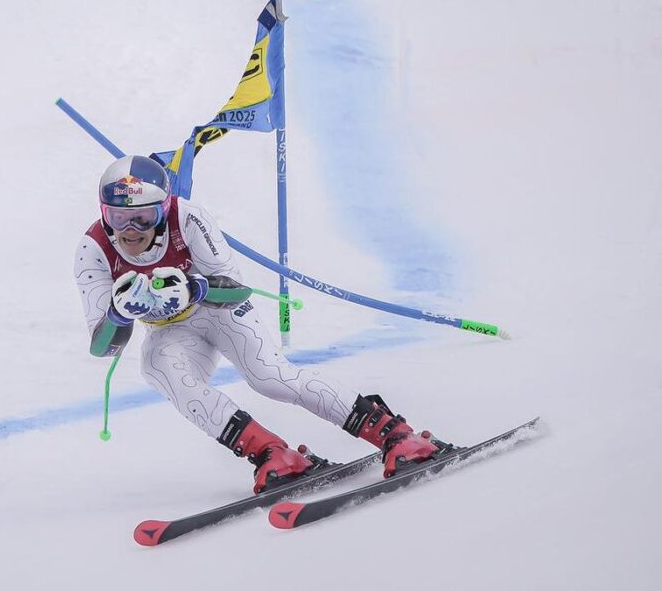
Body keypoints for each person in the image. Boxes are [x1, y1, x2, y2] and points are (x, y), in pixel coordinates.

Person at [74, 155, 439, 494]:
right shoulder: (93, 249)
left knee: (270, 377)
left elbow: (236, 290)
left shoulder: (187, 218)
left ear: (165, 209)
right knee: (158, 368)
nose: (131, 231)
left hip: (218, 311)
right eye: (118, 218)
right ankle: (270, 452)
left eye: (144, 217)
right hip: (171, 331)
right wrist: (118, 314)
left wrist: (193, 288)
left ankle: (394, 433)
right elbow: (103, 347)